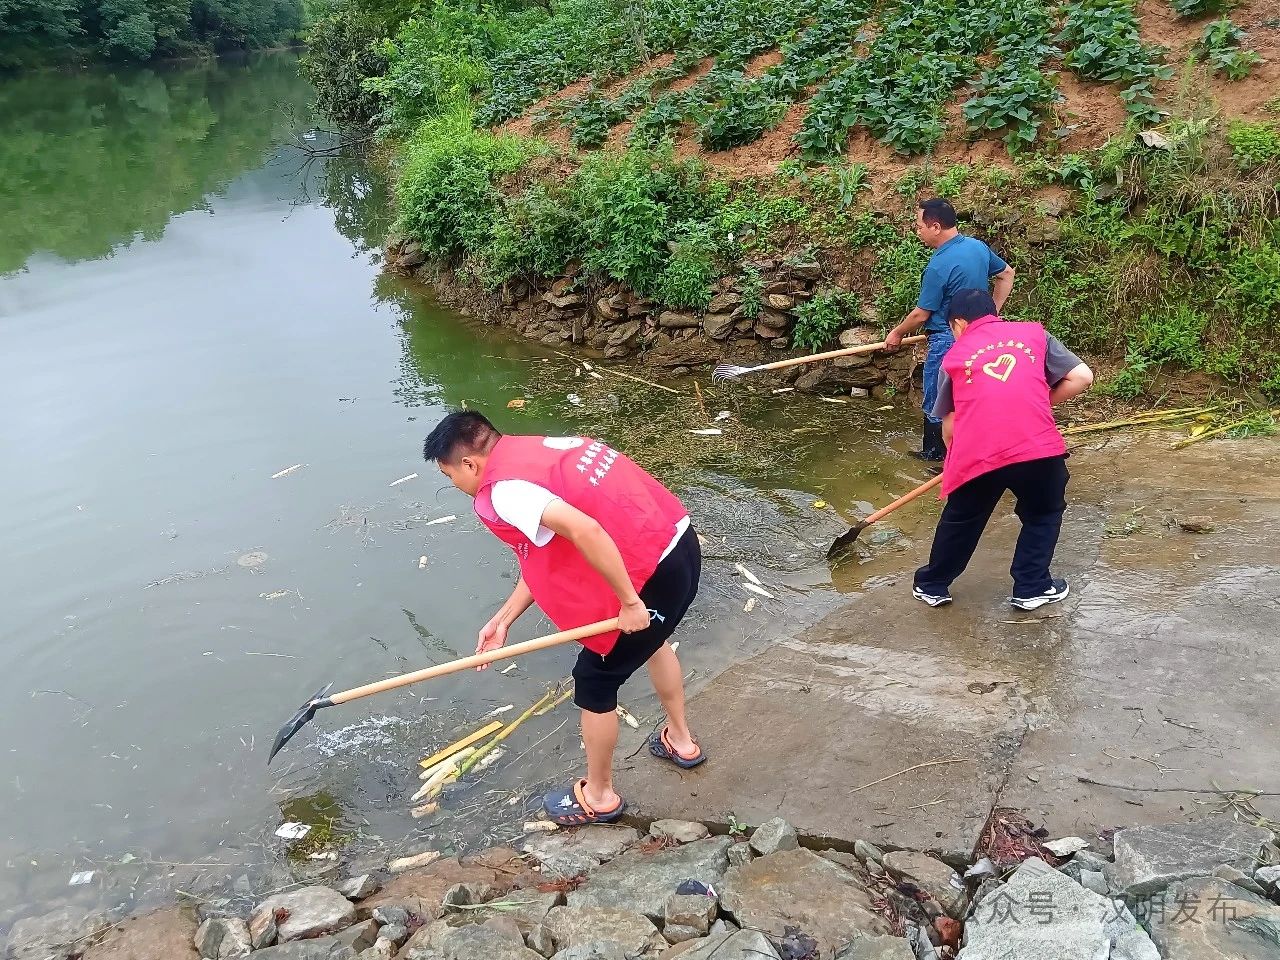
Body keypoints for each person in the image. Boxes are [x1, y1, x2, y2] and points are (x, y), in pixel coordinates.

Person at [422, 411, 704, 825]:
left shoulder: (506, 491)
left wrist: (629, 603)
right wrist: (503, 619)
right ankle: (681, 741)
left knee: (596, 681)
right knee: (651, 641)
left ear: (469, 463)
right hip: (677, 544)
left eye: (450, 477)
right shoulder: (541, 450)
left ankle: (600, 795)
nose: (456, 486)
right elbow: (548, 557)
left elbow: (586, 531)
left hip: (648, 580)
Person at [912, 289, 1094, 611]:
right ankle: (1031, 587)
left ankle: (932, 585)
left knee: (962, 518)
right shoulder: (1034, 335)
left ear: (958, 323)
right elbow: (1082, 376)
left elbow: (951, 423)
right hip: (1037, 447)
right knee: (1043, 513)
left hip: (980, 452)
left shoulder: (955, 357)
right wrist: (1039, 403)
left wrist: (956, 462)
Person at [885, 198, 1016, 463]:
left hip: (946, 339)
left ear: (935, 227)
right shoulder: (976, 247)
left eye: (919, 225)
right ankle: (970, 453)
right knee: (968, 397)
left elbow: (921, 314)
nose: (917, 230)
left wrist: (897, 333)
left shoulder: (939, 266)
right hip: (977, 337)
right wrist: (992, 313)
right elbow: (1007, 274)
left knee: (938, 400)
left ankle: (936, 458)